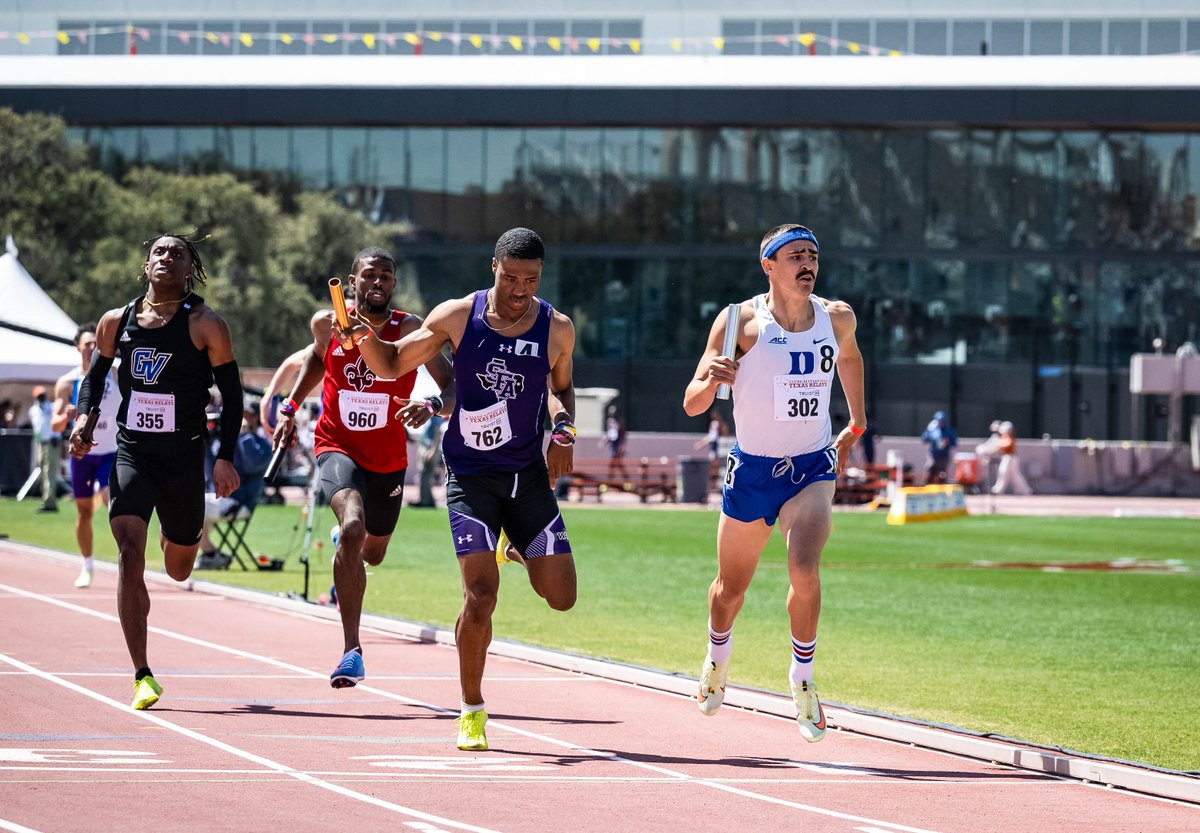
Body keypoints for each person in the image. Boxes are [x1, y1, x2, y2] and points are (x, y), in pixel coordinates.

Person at [340, 227, 578, 753]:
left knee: (561, 598)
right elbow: (393, 361)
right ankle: (472, 708)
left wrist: (563, 431)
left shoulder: (556, 327)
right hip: (471, 478)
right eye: (512, 277)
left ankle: (514, 545)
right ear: (493, 266)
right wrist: (363, 338)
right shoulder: (456, 315)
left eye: (532, 280)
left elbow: (559, 388)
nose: (521, 289)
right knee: (480, 598)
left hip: (527, 478)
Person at [683, 223, 865, 744]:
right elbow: (693, 403)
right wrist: (711, 379)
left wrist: (856, 422)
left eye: (813, 255)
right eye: (794, 256)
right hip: (754, 470)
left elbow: (849, 356)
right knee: (729, 590)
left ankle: (802, 679)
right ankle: (717, 659)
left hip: (811, 465)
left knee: (804, 568)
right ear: (769, 265)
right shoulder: (739, 322)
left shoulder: (838, 317)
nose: (807, 264)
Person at [67, 233, 244, 711]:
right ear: (146, 265)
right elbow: (95, 379)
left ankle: (177, 533)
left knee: (179, 564)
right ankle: (142, 673)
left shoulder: (206, 324)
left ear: (191, 269)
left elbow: (232, 395)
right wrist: (84, 418)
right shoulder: (115, 321)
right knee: (128, 551)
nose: (167, 258)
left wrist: (225, 455)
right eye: (159, 252)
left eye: (178, 253)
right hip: (133, 452)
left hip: (183, 457)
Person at [269, 246, 453, 690]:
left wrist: (429, 405)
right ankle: (352, 651)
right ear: (352, 283)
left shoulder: (410, 329)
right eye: (369, 275)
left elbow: (451, 385)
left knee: (372, 551)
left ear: (393, 284)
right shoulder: (325, 322)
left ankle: (351, 540)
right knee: (353, 528)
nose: (378, 283)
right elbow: (317, 357)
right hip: (337, 444)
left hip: (388, 458)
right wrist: (290, 405)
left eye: (386, 276)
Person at [52, 324, 121, 587]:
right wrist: (65, 416)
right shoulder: (68, 382)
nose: (92, 347)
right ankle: (87, 566)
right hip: (82, 454)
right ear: (77, 347)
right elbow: (54, 426)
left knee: (111, 501)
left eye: (96, 343)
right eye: (88, 343)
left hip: (110, 452)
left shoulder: (114, 374)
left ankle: (127, 559)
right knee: (84, 513)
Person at [197, 402, 274, 568]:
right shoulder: (225, 442)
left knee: (191, 507)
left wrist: (245, 435)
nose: (242, 419)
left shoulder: (262, 444)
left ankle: (211, 554)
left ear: (255, 418)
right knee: (186, 507)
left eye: (247, 415)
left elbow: (250, 465)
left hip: (239, 502)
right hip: (220, 498)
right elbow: (211, 475)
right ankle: (212, 554)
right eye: (240, 414)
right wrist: (207, 442)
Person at [28, 385, 60, 513]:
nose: (41, 397)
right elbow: (36, 427)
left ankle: (50, 501)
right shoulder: (33, 410)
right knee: (42, 471)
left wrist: (55, 436)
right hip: (40, 443)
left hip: (51, 442)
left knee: (50, 471)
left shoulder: (51, 408)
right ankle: (45, 498)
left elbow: (57, 424)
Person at [991, 421, 1033, 495]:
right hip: (1007, 457)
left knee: (1004, 472)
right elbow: (998, 446)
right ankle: (1024, 490)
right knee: (1014, 475)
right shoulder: (1003, 436)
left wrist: (998, 443)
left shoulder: (1009, 436)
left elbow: (1006, 444)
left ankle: (999, 489)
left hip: (1010, 457)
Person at [921, 410, 957, 485]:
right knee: (930, 470)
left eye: (942, 421)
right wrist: (928, 430)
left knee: (942, 475)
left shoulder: (949, 431)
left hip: (944, 457)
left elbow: (954, 443)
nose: (941, 423)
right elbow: (924, 439)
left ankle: (942, 491)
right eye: (939, 421)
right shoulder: (933, 430)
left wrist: (948, 442)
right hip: (933, 456)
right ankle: (927, 488)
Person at [603, 403, 628, 481]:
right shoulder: (609, 421)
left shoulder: (620, 422)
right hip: (612, 443)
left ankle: (611, 480)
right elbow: (610, 433)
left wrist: (622, 446)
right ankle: (625, 479)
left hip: (617, 443)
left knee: (615, 462)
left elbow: (623, 435)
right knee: (616, 463)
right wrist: (604, 441)